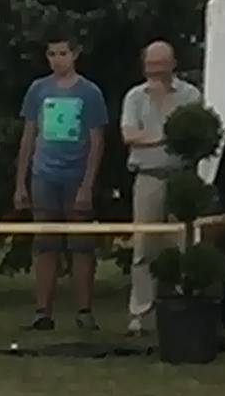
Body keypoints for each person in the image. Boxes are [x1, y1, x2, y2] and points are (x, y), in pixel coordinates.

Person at [14, 35, 109, 331]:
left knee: (81, 246)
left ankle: (84, 311)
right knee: (45, 245)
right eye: (52, 54)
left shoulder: (90, 93)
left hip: (75, 177)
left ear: (75, 54)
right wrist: (21, 183)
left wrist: (87, 185)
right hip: (44, 176)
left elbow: (97, 141)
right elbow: (29, 135)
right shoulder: (38, 90)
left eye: (63, 53)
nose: (57, 59)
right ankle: (43, 312)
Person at [120, 40, 202, 336]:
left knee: (181, 244)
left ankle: (180, 306)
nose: (155, 71)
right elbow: (129, 135)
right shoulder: (134, 96)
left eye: (160, 64)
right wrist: (163, 136)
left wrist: (153, 134)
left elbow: (194, 133)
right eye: (150, 65)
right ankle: (141, 314)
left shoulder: (190, 95)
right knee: (144, 247)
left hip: (181, 177)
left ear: (173, 64)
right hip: (148, 177)